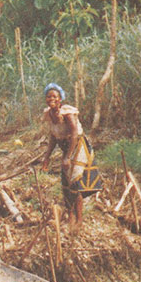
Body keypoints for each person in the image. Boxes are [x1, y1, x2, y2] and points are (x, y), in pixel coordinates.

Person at [40, 82, 104, 228]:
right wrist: (46, 158)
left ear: (60, 99)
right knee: (66, 183)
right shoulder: (49, 115)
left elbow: (74, 134)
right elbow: (53, 138)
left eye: (55, 96)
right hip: (66, 148)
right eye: (49, 96)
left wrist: (68, 157)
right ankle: (70, 215)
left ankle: (79, 219)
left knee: (75, 181)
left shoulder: (67, 113)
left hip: (78, 146)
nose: (52, 99)